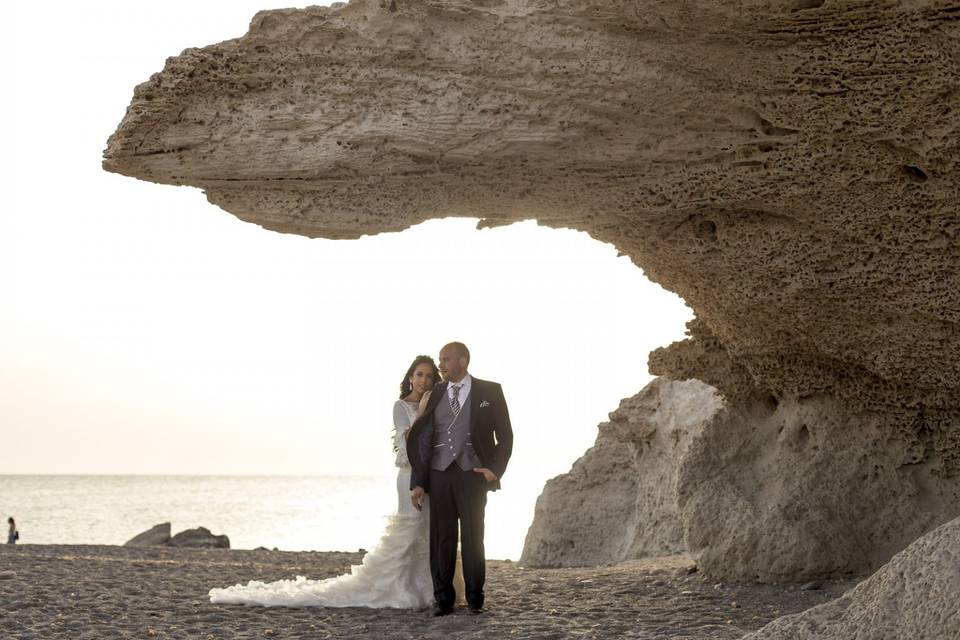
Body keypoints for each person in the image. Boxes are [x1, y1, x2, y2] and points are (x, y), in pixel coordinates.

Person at [208, 355, 464, 608]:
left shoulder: (437, 406)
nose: (424, 380)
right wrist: (420, 411)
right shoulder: (401, 407)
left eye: (429, 376)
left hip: (433, 477)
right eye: (419, 374)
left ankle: (436, 589)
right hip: (409, 475)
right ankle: (402, 588)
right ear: (410, 378)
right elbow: (407, 445)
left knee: (430, 529)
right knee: (409, 530)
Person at [407, 342, 513, 616]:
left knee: (473, 537)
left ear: (463, 361)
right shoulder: (434, 393)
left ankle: (476, 598)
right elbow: (424, 439)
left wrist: (494, 469)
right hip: (439, 474)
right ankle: (444, 599)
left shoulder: (490, 391)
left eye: (445, 360)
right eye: (440, 360)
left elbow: (506, 436)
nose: (439, 365)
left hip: (472, 474)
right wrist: (418, 481)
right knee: (441, 538)